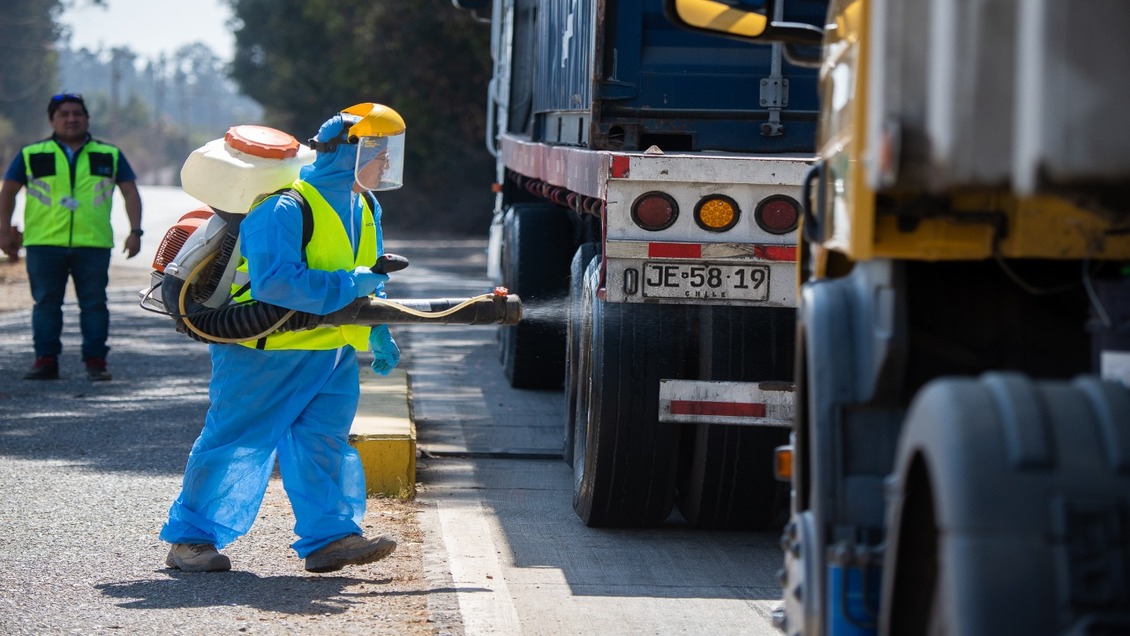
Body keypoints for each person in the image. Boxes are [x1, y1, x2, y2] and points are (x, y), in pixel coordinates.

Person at [160, 103, 407, 573]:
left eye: (390, 152)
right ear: (347, 152)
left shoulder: (366, 204)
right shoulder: (284, 206)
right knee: (235, 443)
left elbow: (369, 276)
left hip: (331, 353)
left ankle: (330, 539)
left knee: (324, 445)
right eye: (378, 151)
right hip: (265, 352)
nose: (387, 164)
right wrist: (349, 284)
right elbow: (276, 282)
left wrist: (378, 329)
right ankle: (190, 541)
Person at [0, 92, 143, 381]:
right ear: (52, 119)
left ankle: (95, 362)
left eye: (77, 113)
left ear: (87, 118)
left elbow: (130, 192)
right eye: (63, 114)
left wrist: (135, 231)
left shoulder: (109, 154)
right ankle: (45, 360)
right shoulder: (32, 154)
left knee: (94, 305)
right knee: (46, 304)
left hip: (94, 244)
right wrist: (3, 229)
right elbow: (9, 192)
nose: (71, 118)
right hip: (43, 244)